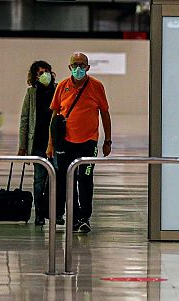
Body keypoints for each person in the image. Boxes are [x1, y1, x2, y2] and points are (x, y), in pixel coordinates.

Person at [47, 52, 112, 233]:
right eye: (75, 65)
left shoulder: (97, 87)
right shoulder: (62, 86)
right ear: (69, 67)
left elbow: (105, 113)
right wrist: (51, 143)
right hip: (66, 143)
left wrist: (107, 140)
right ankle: (74, 217)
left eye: (82, 65)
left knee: (85, 179)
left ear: (88, 67)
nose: (78, 68)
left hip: (88, 143)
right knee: (69, 181)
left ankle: (84, 217)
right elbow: (55, 116)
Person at [18, 60, 59, 226]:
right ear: (35, 76)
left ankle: (56, 212)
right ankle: (39, 214)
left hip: (56, 143)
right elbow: (25, 120)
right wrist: (22, 147)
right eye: (41, 72)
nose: (45, 75)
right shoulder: (31, 93)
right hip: (37, 143)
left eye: (47, 71)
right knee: (39, 180)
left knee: (57, 177)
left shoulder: (58, 89)